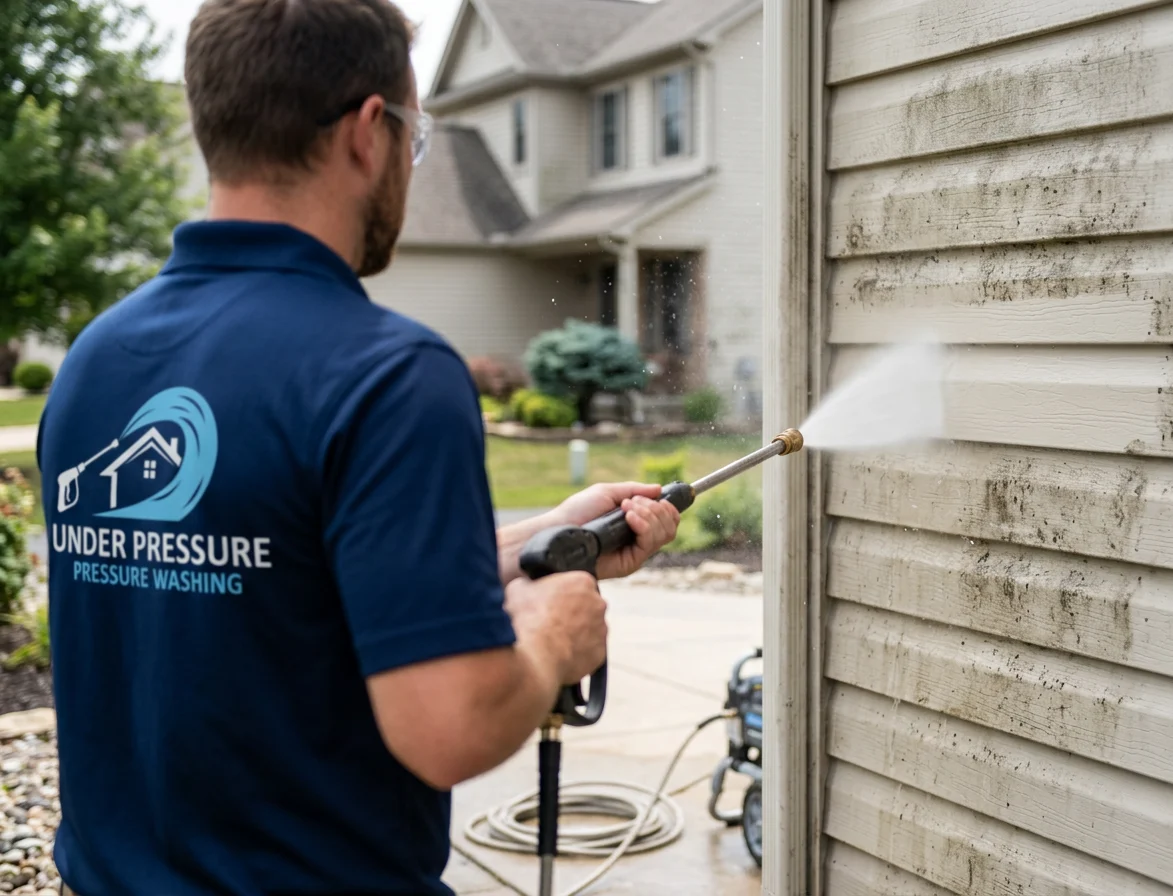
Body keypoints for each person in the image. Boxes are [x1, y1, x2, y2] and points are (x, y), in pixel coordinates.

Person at [36, 1, 681, 894]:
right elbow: (447, 727)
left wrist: (537, 542)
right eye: (414, 139)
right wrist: (550, 637)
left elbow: (277, 580)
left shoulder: (96, 363)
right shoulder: (387, 373)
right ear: (368, 131)